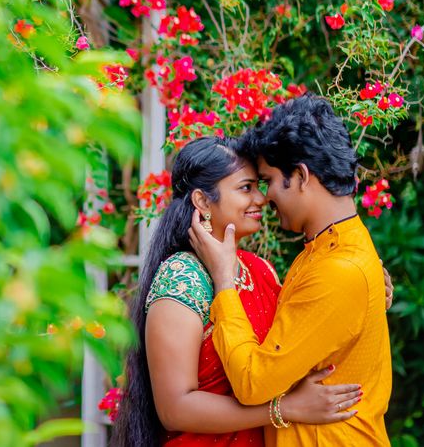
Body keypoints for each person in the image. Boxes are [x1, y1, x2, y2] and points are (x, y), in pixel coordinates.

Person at [114, 136, 365, 447]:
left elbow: (296, 341)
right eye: (246, 188)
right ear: (203, 202)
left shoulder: (260, 270)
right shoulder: (181, 278)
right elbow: (175, 408)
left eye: (259, 186)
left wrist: (361, 284)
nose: (261, 198)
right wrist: (283, 409)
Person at [189, 94, 393, 446]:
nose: (265, 197)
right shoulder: (328, 250)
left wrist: (224, 282)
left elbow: (254, 381)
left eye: (267, 180)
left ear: (300, 176)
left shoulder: (339, 268)